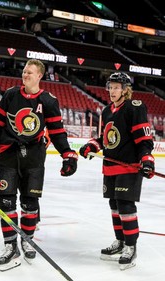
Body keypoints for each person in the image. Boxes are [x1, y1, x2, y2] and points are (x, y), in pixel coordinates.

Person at [0, 58, 78, 271]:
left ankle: (27, 240)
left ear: (40, 76)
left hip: (34, 157)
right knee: (7, 203)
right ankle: (10, 245)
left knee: (30, 205)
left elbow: (57, 131)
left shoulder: (48, 100)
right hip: (8, 155)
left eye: (30, 72)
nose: (25, 75)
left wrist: (68, 154)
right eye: (24, 71)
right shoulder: (10, 95)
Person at [79, 72, 155, 271]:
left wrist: (146, 159)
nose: (112, 91)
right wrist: (91, 146)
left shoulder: (134, 107)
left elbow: (144, 139)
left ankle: (131, 246)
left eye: (116, 87)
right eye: (110, 87)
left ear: (125, 89)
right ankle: (120, 241)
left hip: (128, 166)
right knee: (114, 205)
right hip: (111, 167)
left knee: (125, 205)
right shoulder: (106, 111)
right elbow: (106, 139)